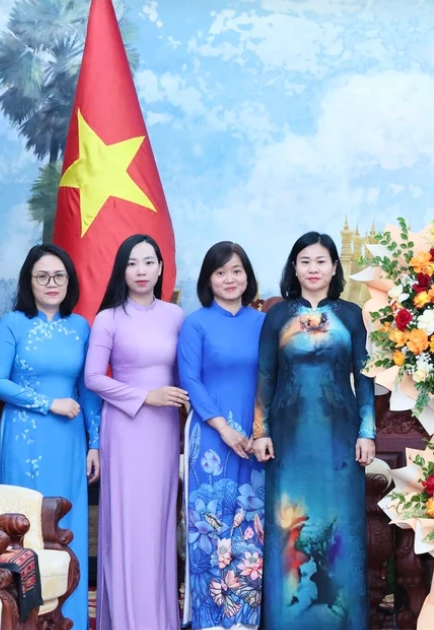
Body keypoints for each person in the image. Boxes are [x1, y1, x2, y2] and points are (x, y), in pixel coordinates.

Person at [251, 231, 376, 629]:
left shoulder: (351, 315)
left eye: (321, 261)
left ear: (335, 267)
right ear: (295, 267)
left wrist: (367, 431)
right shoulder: (277, 315)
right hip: (288, 441)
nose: (313, 268)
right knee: (290, 526)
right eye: (305, 261)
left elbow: (365, 377)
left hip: (340, 439)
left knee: (340, 526)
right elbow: (265, 376)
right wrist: (260, 431)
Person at [0, 244, 101, 628]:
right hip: (25, 437)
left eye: (59, 276)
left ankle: (70, 620)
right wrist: (48, 403)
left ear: (70, 281)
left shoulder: (80, 327)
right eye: (42, 276)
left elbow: (87, 390)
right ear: (29, 282)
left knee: (66, 527)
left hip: (69, 441)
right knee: (25, 527)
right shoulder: (13, 324)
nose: (52, 283)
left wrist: (96, 442)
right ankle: (24, 620)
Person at [85, 234, 186, 630]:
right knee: (128, 524)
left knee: (159, 525)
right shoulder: (108, 318)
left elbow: (184, 374)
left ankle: (159, 620)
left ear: (160, 268)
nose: (141, 270)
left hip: (164, 431)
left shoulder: (175, 316)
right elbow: (93, 378)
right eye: (132, 263)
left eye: (148, 262)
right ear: (121, 270)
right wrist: (146, 396)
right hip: (125, 429)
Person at [178, 242, 266, 630]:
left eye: (236, 271)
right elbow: (190, 380)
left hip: (255, 438)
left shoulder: (262, 323)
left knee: (250, 526)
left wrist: (260, 430)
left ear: (248, 276)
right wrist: (224, 428)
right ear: (208, 280)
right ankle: (209, 620)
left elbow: (271, 378)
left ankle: (244, 620)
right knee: (210, 527)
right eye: (220, 272)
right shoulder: (196, 323)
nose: (229, 279)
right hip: (211, 437)